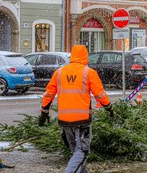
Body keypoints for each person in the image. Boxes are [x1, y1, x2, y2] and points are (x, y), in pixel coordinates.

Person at [38, 45, 114, 173]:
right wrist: (109, 108)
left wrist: (44, 112)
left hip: (64, 120)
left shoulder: (59, 72)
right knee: (82, 152)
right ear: (85, 56)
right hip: (81, 120)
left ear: (72, 56)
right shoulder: (88, 72)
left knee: (76, 152)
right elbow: (100, 94)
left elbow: (49, 94)